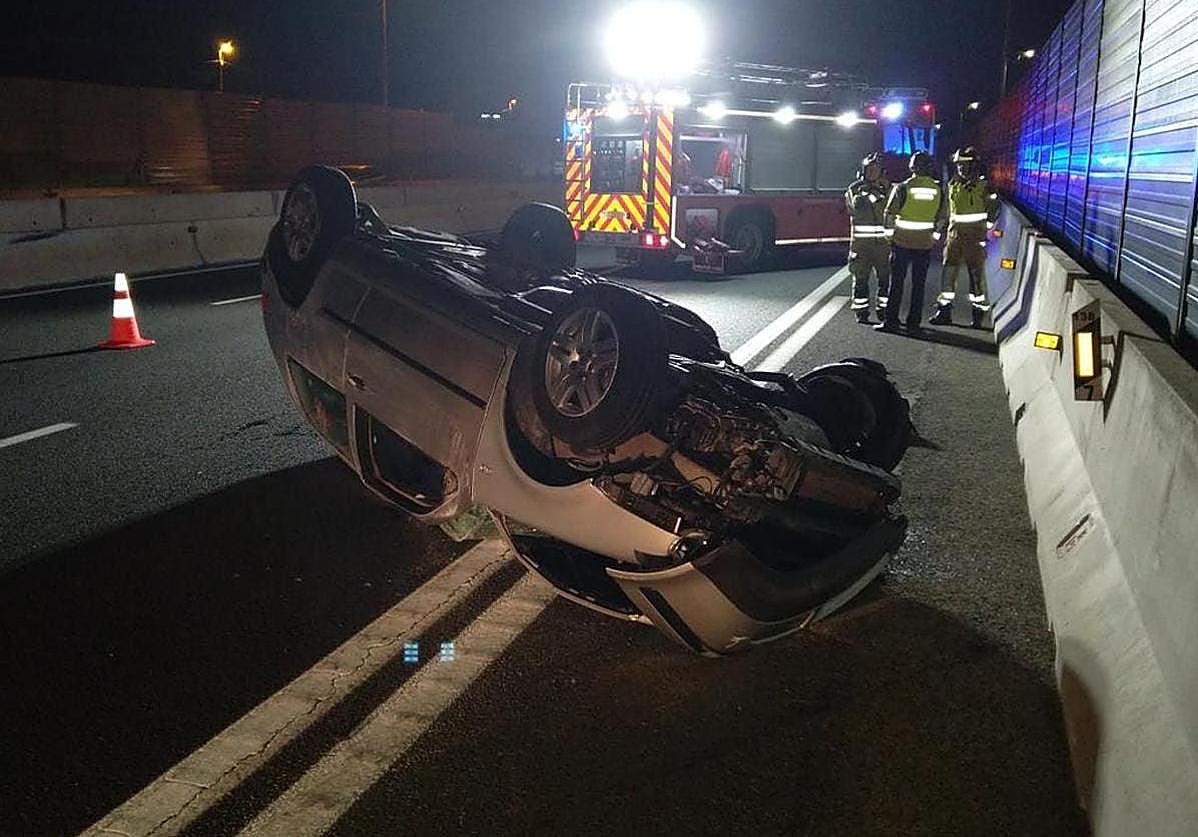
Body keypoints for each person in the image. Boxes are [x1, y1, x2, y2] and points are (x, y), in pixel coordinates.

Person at [929, 146, 1001, 328]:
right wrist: (938, 229)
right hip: (954, 236)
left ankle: (978, 315)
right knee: (948, 274)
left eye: (965, 165)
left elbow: (993, 206)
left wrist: (987, 226)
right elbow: (946, 210)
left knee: (976, 276)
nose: (961, 168)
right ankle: (944, 310)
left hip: (975, 238)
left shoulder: (984, 186)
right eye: (959, 165)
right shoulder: (952, 184)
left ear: (974, 166)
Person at [875, 150, 946, 334]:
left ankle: (891, 322)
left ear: (912, 167)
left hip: (901, 242)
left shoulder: (903, 188)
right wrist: (933, 237)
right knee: (918, 286)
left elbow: (889, 214)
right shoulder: (938, 190)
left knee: (896, 283)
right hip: (924, 244)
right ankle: (913, 324)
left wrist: (889, 236)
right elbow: (941, 218)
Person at [844, 153, 892, 324]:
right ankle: (861, 310)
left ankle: (884, 310)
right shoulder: (854, 189)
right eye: (869, 169)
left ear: (881, 171)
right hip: (861, 245)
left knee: (885, 279)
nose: (872, 172)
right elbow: (856, 207)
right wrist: (875, 196)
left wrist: (876, 194)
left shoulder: (890, 189)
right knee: (860, 279)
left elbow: (891, 209)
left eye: (875, 169)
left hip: (883, 246)